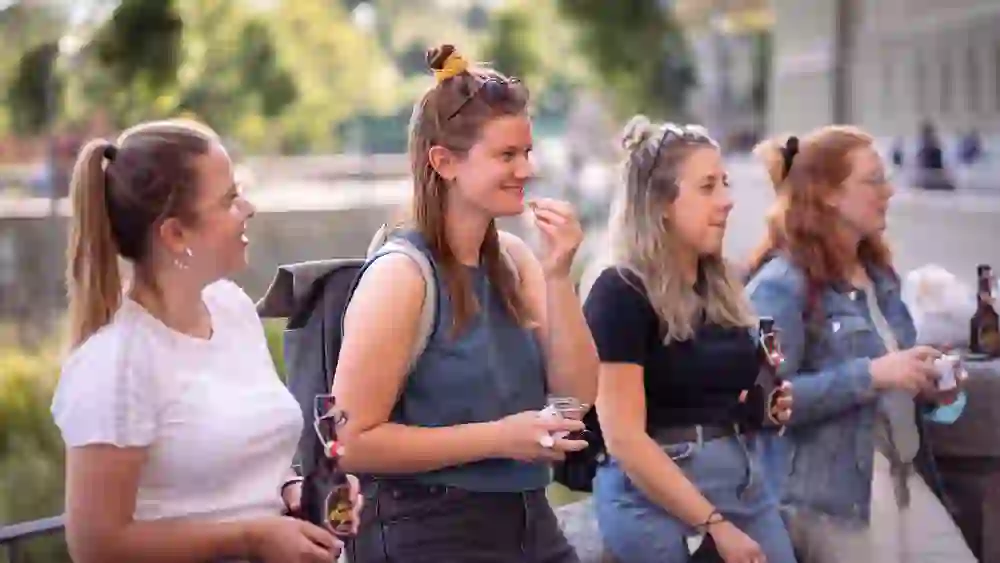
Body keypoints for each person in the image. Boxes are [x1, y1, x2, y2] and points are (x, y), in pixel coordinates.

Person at [332, 44, 599, 563]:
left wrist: (559, 274)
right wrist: (499, 438)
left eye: (527, 151)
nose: (527, 169)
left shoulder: (517, 260)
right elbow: (351, 440)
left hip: (529, 522)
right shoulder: (402, 275)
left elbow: (578, 397)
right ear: (444, 162)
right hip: (429, 531)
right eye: (507, 155)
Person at [51, 119, 359, 563]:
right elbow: (96, 546)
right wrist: (251, 538)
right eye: (230, 199)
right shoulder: (116, 364)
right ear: (175, 234)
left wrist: (303, 492)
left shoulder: (231, 309)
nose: (248, 207)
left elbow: (250, 465)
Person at [745, 125, 976, 563]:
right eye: (874, 180)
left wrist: (939, 393)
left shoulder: (882, 277)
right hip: (835, 507)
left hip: (904, 481)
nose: (889, 191)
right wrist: (872, 374)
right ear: (829, 194)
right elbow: (762, 401)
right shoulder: (778, 287)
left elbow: (907, 394)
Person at [584, 116, 796, 563]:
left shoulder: (721, 288)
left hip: (742, 487)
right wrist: (714, 524)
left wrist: (761, 410)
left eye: (725, 183)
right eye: (707, 187)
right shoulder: (620, 292)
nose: (727, 201)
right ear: (661, 202)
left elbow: (703, 396)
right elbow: (623, 437)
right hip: (655, 501)